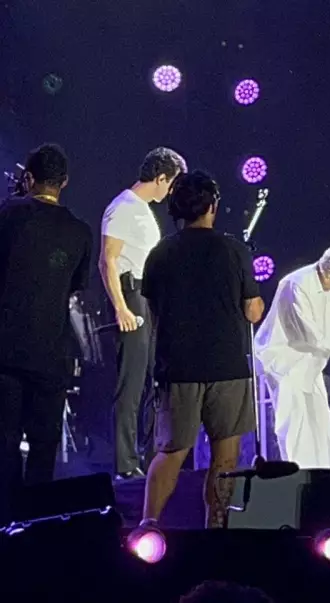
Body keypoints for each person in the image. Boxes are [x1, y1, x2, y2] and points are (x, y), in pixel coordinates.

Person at [139, 170, 264, 529]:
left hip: (177, 366)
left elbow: (153, 310)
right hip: (227, 365)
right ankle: (217, 529)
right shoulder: (234, 249)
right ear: (212, 205)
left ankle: (147, 526)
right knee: (225, 455)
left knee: (171, 451)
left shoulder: (160, 252)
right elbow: (252, 310)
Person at [0, 143, 92, 523]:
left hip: (5, 348)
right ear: (64, 182)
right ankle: (34, 524)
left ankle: (5, 520)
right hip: (52, 351)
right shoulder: (80, 231)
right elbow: (73, 292)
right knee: (43, 443)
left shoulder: (6, 215)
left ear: (28, 177)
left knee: (4, 440)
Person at [99, 147, 187, 479]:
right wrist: (121, 307)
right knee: (132, 383)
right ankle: (125, 465)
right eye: (172, 183)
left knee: (154, 382)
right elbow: (108, 259)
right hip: (131, 296)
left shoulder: (141, 210)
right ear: (161, 178)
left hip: (148, 298)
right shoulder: (123, 207)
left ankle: (148, 459)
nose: (172, 192)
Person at [254, 245, 330, 468]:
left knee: (319, 420)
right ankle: (296, 471)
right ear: (328, 272)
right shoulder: (296, 285)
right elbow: (310, 336)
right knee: (294, 421)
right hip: (285, 361)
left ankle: (326, 470)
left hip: (312, 362)